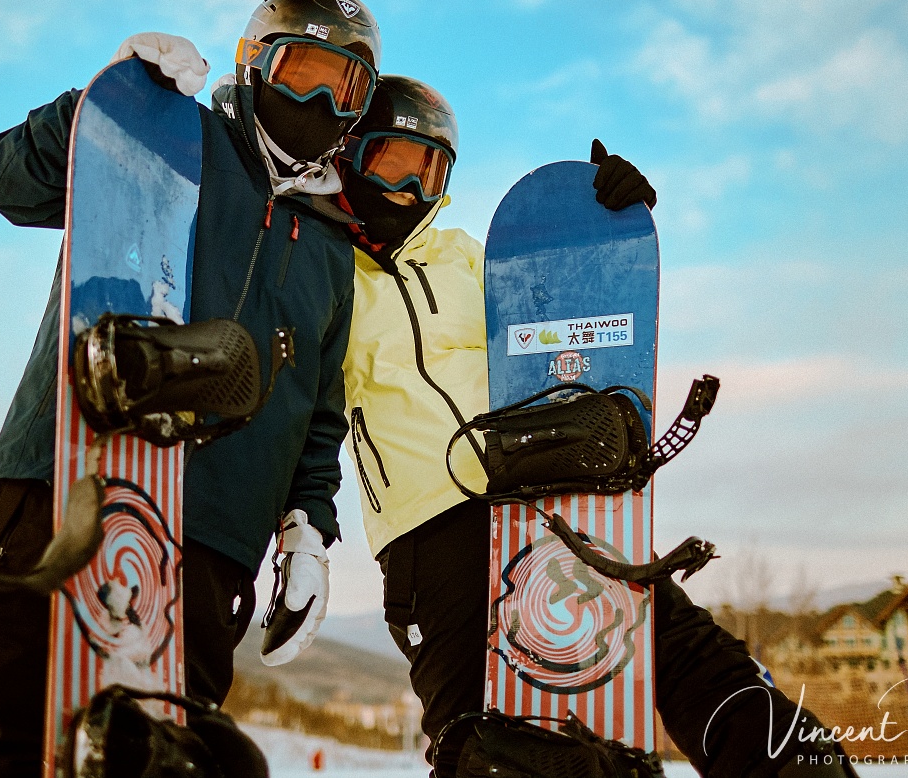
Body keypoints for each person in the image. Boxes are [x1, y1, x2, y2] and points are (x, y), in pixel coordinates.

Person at [0, 0, 378, 778]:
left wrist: (307, 528)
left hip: (218, 535)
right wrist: (98, 103)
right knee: (6, 739)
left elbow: (318, 413)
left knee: (155, 760)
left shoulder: (333, 250)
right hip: (71, 482)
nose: (321, 98)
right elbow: (10, 183)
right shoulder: (167, 134)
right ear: (253, 63)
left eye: (347, 86)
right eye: (302, 69)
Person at [331, 75, 856, 778]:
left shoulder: (462, 257)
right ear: (348, 154)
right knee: (483, 752)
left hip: (547, 501)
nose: (415, 190)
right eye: (396, 163)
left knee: (691, 657)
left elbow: (556, 321)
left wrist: (597, 227)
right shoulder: (320, 271)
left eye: (434, 171)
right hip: (430, 536)